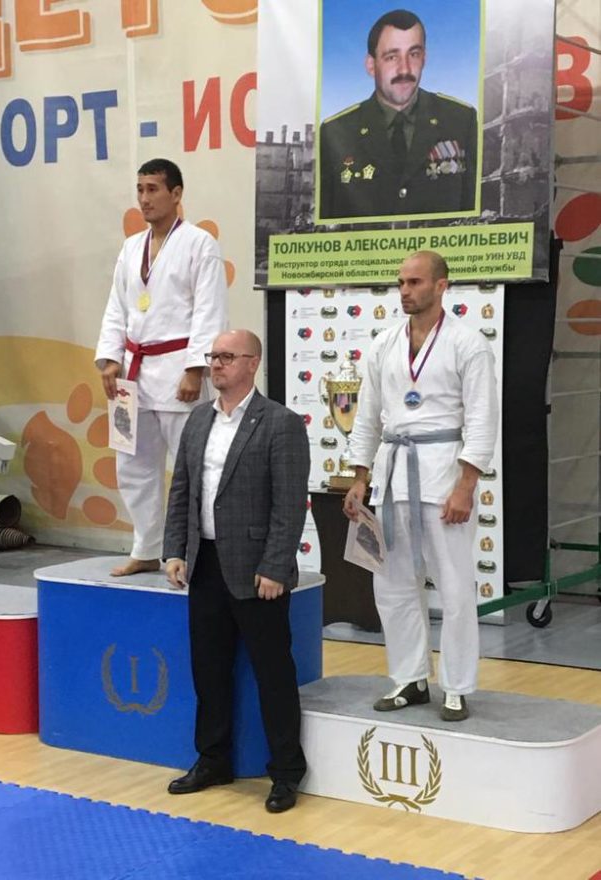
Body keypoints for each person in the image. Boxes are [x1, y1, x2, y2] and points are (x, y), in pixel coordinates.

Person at [343, 251, 498, 721]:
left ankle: (456, 685)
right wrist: (360, 477)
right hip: (393, 476)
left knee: (454, 587)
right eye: (401, 283)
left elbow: (482, 418)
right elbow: (368, 415)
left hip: (443, 474)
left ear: (441, 286)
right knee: (391, 585)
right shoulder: (384, 343)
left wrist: (466, 485)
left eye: (415, 282)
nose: (405, 291)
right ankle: (409, 678)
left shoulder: (467, 344)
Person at [164, 329, 309, 812]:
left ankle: (286, 771)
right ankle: (213, 759)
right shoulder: (198, 420)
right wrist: (175, 550)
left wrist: (275, 566)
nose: (216, 364)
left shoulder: (280, 423)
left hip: (258, 572)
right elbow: (182, 490)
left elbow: (290, 504)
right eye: (213, 356)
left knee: (273, 674)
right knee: (208, 670)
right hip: (204, 564)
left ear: (252, 363)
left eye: (227, 356)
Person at [95, 158, 228, 577]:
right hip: (132, 375)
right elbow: (117, 306)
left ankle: (189, 552)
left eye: (153, 189)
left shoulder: (199, 244)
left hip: (177, 371)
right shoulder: (131, 247)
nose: (144, 198)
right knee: (132, 466)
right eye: (140, 189)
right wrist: (110, 358)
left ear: (176, 193)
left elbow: (209, 310)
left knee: (190, 467)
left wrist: (196, 368)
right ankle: (146, 548)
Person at [319, 9, 478, 220]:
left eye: (414, 54)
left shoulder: (461, 120)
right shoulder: (336, 132)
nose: (405, 69)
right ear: (371, 65)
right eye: (392, 57)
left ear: (424, 59)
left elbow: (471, 209)